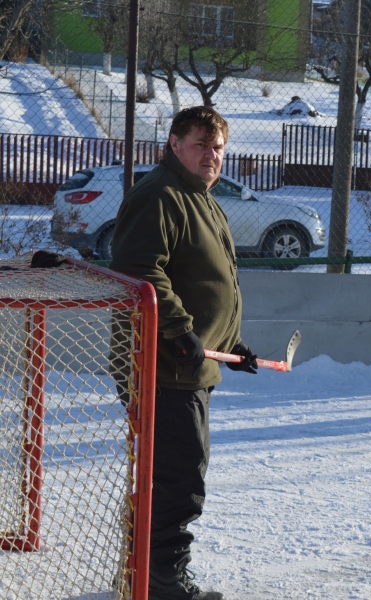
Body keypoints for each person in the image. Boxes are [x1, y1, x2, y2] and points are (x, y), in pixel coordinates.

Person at [110, 106, 258, 600]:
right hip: (163, 365)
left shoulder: (200, 196)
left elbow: (204, 282)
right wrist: (178, 331)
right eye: (200, 145)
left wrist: (230, 345)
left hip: (191, 363)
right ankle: (162, 580)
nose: (211, 155)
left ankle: (144, 573)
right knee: (179, 476)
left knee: (174, 472)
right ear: (174, 145)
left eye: (217, 147)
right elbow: (138, 269)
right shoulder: (161, 195)